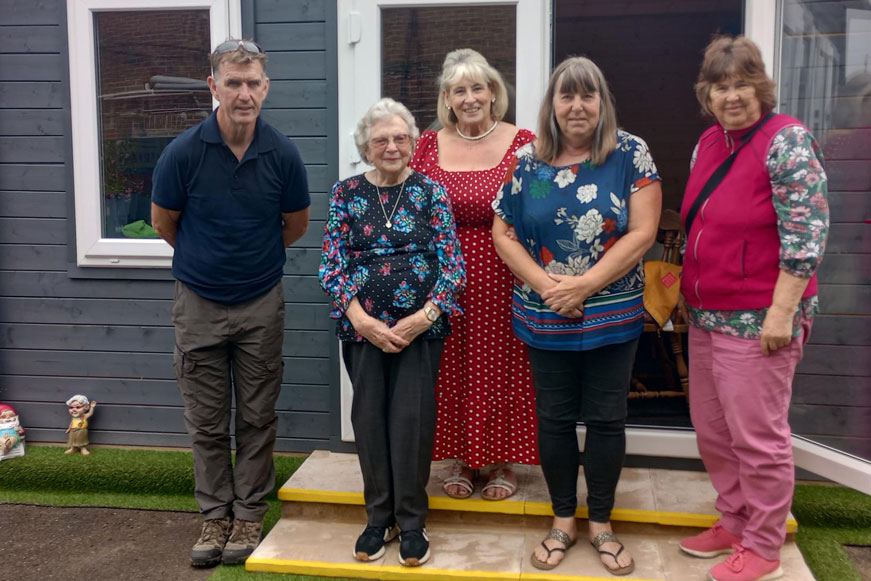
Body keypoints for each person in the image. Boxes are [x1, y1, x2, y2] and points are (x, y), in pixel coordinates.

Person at [492, 56, 661, 576]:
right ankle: (564, 519)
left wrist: (586, 284)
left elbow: (642, 232)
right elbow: (508, 232)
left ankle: (603, 524)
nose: (577, 106)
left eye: (588, 95)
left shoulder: (629, 153)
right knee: (556, 419)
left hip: (612, 314)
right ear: (553, 105)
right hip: (546, 314)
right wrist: (547, 287)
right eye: (567, 96)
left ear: (602, 102)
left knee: (608, 420)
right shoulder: (531, 161)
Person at [151, 39, 311, 568]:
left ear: (266, 88)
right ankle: (214, 516)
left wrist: (250, 262)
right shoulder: (183, 152)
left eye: (253, 83)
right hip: (197, 301)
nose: (244, 93)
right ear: (213, 85)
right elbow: (163, 222)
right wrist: (207, 261)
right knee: (206, 419)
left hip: (260, 301)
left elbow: (295, 225)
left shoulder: (282, 153)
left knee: (258, 416)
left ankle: (248, 514)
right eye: (233, 82)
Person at [677, 36, 828, 581]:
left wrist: (782, 313)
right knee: (714, 429)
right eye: (720, 86)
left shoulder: (786, 141)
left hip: (759, 318)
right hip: (707, 315)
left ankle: (764, 544)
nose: (731, 96)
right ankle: (734, 520)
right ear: (708, 94)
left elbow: (806, 236)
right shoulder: (709, 144)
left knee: (757, 436)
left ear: (760, 85)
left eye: (741, 83)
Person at [319, 98, 465, 567]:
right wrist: (362, 320)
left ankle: (413, 521)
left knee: (412, 422)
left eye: (401, 137)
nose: (392, 146)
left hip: (420, 329)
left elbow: (452, 266)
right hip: (362, 329)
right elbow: (331, 265)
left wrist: (423, 316)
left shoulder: (432, 192)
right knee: (369, 420)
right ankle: (377, 518)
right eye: (381, 138)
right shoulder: (346, 194)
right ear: (365, 145)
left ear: (413, 143)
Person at [410, 48, 538, 501]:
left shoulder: (524, 142)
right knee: (450, 366)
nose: (469, 98)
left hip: (505, 273)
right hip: (441, 276)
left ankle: (500, 459)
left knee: (501, 364)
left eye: (477, 88)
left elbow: (538, 209)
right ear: (447, 97)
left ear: (493, 93)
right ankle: (461, 459)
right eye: (459, 90)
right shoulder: (426, 144)